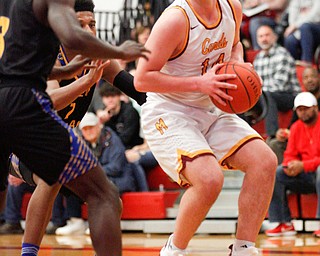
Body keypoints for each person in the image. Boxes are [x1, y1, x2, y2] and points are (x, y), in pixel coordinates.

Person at [0, 0, 149, 256]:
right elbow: (49, 101)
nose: (88, 30)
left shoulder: (39, 33)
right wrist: (118, 54)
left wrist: (183, 92)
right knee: (101, 193)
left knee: (54, 177)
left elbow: (138, 91)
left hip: (16, 113)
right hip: (27, 126)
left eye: (92, 24)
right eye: (80, 24)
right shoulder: (56, 41)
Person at [134, 0, 277, 255]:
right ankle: (173, 249)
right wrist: (200, 84)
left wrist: (238, 65)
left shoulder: (231, 7)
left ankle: (244, 249)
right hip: (169, 111)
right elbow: (141, 78)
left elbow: (235, 46)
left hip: (210, 106)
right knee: (209, 179)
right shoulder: (175, 20)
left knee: (264, 161)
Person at [265, 92, 320, 237]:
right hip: (305, 176)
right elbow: (290, 154)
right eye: (300, 110)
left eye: (306, 108)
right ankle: (283, 223)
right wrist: (290, 165)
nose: (303, 112)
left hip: (316, 172)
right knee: (277, 172)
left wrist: (303, 165)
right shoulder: (295, 127)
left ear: (315, 107)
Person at [253, 24, 301, 139]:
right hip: (265, 95)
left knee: (268, 95)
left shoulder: (282, 54)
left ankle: (272, 135)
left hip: (289, 96)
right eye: (261, 36)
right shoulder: (258, 58)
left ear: (274, 37)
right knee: (240, 100)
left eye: (267, 35)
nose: (264, 39)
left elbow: (279, 85)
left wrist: (259, 92)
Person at [267, 66, 320, 164]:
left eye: (313, 76)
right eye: (306, 78)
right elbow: (293, 126)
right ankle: (287, 172)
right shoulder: (301, 100)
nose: (309, 80)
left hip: (316, 142)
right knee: (274, 142)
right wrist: (284, 133)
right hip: (302, 141)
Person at [98, 82, 144, 149]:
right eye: (107, 97)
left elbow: (126, 139)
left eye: (113, 96)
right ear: (102, 99)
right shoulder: (105, 114)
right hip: (115, 149)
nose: (110, 100)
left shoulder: (129, 111)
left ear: (119, 96)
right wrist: (101, 123)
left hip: (133, 148)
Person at [284, 0, 320, 67]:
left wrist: (296, 25)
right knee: (290, 39)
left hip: (316, 27)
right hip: (301, 30)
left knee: (305, 27)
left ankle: (307, 61)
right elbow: (292, 19)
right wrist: (295, 27)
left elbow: (316, 16)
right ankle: (294, 65)